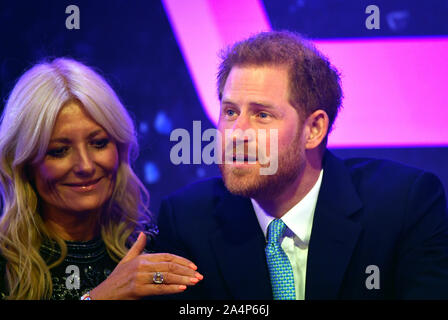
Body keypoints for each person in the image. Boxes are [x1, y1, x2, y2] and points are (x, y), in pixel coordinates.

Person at [154, 31, 448, 299]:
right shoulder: (186, 221)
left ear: (314, 129)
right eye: (230, 112)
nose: (235, 133)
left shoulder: (403, 207)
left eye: (262, 115)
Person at [0, 58, 203, 300]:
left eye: (98, 143)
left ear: (119, 148)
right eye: (59, 150)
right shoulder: (6, 263)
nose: (85, 166)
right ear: (25, 164)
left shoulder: (153, 248)